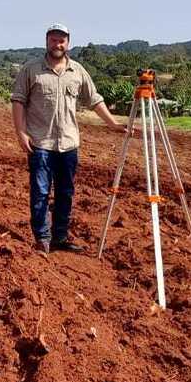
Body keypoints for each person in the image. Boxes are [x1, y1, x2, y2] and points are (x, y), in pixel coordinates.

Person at [11, 23, 127, 253]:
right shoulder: (31, 70)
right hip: (40, 143)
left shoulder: (78, 71)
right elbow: (18, 101)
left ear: (68, 42)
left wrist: (112, 123)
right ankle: (42, 238)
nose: (58, 44)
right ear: (47, 41)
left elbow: (94, 99)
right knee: (41, 192)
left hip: (68, 143)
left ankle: (60, 237)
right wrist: (20, 132)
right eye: (54, 39)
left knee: (65, 192)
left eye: (62, 40)